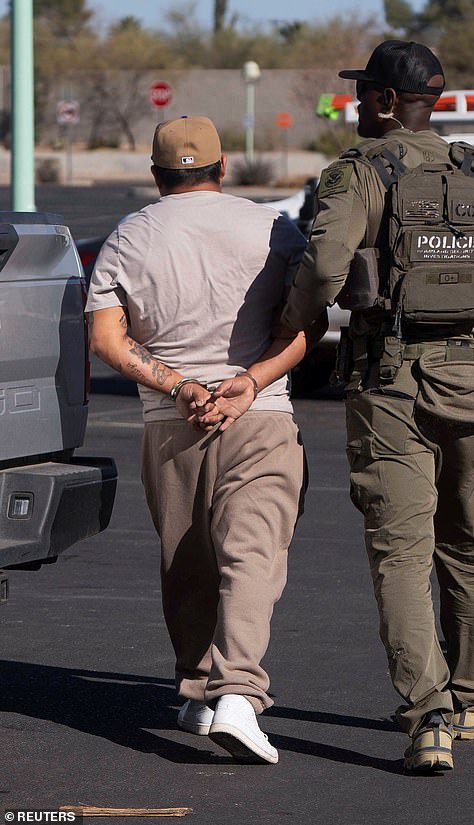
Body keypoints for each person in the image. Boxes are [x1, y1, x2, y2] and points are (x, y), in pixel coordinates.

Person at [243, 40, 474, 773]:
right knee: (469, 548)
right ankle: (466, 700)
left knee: (401, 553)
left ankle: (426, 714)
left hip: (389, 384)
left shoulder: (358, 174)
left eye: (361, 93)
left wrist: (290, 325)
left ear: (380, 101)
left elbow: (326, 265)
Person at [86, 115, 317, 765]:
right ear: (222, 168)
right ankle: (238, 695)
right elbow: (303, 328)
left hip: (169, 423)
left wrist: (176, 383)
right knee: (250, 553)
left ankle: (196, 691)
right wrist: (249, 379)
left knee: (186, 560)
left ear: (157, 175)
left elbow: (106, 339)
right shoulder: (276, 229)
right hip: (260, 415)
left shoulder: (129, 235)